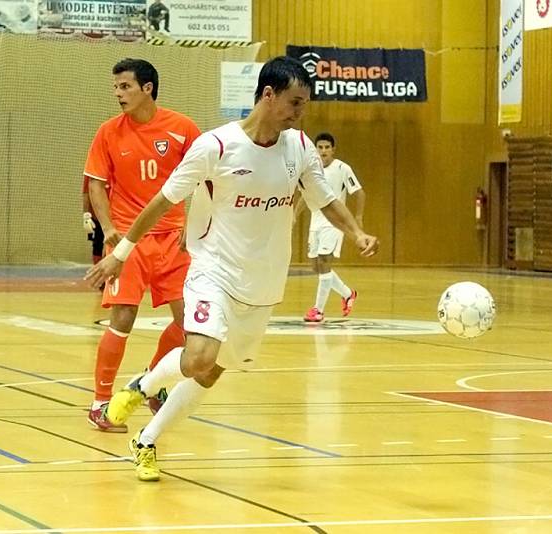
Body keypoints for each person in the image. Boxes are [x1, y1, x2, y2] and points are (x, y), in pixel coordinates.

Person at [85, 56, 379, 482]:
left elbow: (326, 200)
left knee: (211, 372)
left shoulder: (298, 148)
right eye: (295, 103)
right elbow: (162, 202)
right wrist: (122, 250)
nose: (301, 113)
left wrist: (356, 233)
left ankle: (146, 437)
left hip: (263, 280)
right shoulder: (215, 146)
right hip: (213, 268)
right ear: (268, 95)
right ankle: (143, 386)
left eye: (305, 105)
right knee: (199, 355)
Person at [83, 58, 201, 432]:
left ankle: (150, 383)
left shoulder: (183, 129)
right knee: (122, 318)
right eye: (116, 87)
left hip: (173, 242)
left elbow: (208, 178)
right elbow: (96, 185)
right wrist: (108, 228)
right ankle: (100, 403)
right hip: (129, 243)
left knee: (190, 324)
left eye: (125, 87)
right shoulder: (108, 132)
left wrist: (194, 221)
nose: (118, 94)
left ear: (147, 88)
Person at [297, 132, 366, 323]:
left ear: (333, 150)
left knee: (325, 263)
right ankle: (348, 293)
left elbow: (359, 193)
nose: (323, 151)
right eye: (320, 147)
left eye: (327, 147)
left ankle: (318, 310)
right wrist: (294, 216)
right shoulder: (312, 170)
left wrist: (358, 217)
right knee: (316, 267)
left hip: (334, 224)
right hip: (316, 223)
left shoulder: (343, 168)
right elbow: (305, 195)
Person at [82, 175, 104, 268]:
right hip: (97, 215)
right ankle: (98, 272)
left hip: (116, 216)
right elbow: (86, 193)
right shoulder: (91, 174)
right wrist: (86, 216)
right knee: (98, 244)